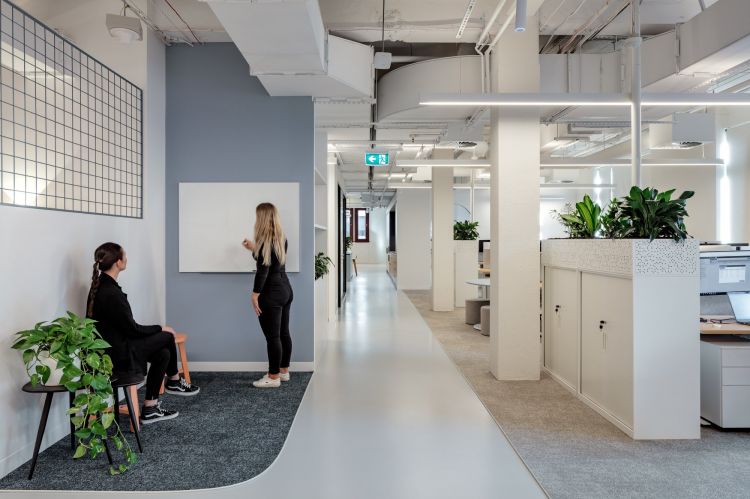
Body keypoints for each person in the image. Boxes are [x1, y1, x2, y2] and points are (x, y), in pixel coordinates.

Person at [86, 242, 199, 424]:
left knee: (163, 353)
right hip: (117, 354)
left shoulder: (102, 286)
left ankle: (151, 408)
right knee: (167, 336)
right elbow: (133, 329)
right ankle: (175, 381)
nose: (127, 259)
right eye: (125, 256)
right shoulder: (110, 293)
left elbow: (127, 329)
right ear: (118, 262)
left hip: (115, 348)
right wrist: (160, 328)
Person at [242, 203, 293, 388]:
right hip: (285, 288)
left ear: (262, 218)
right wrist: (254, 249)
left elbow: (263, 271)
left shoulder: (265, 241)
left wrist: (255, 294)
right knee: (283, 333)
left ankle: (273, 377)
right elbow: (271, 261)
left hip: (271, 292)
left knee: (273, 337)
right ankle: (283, 371)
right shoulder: (281, 238)